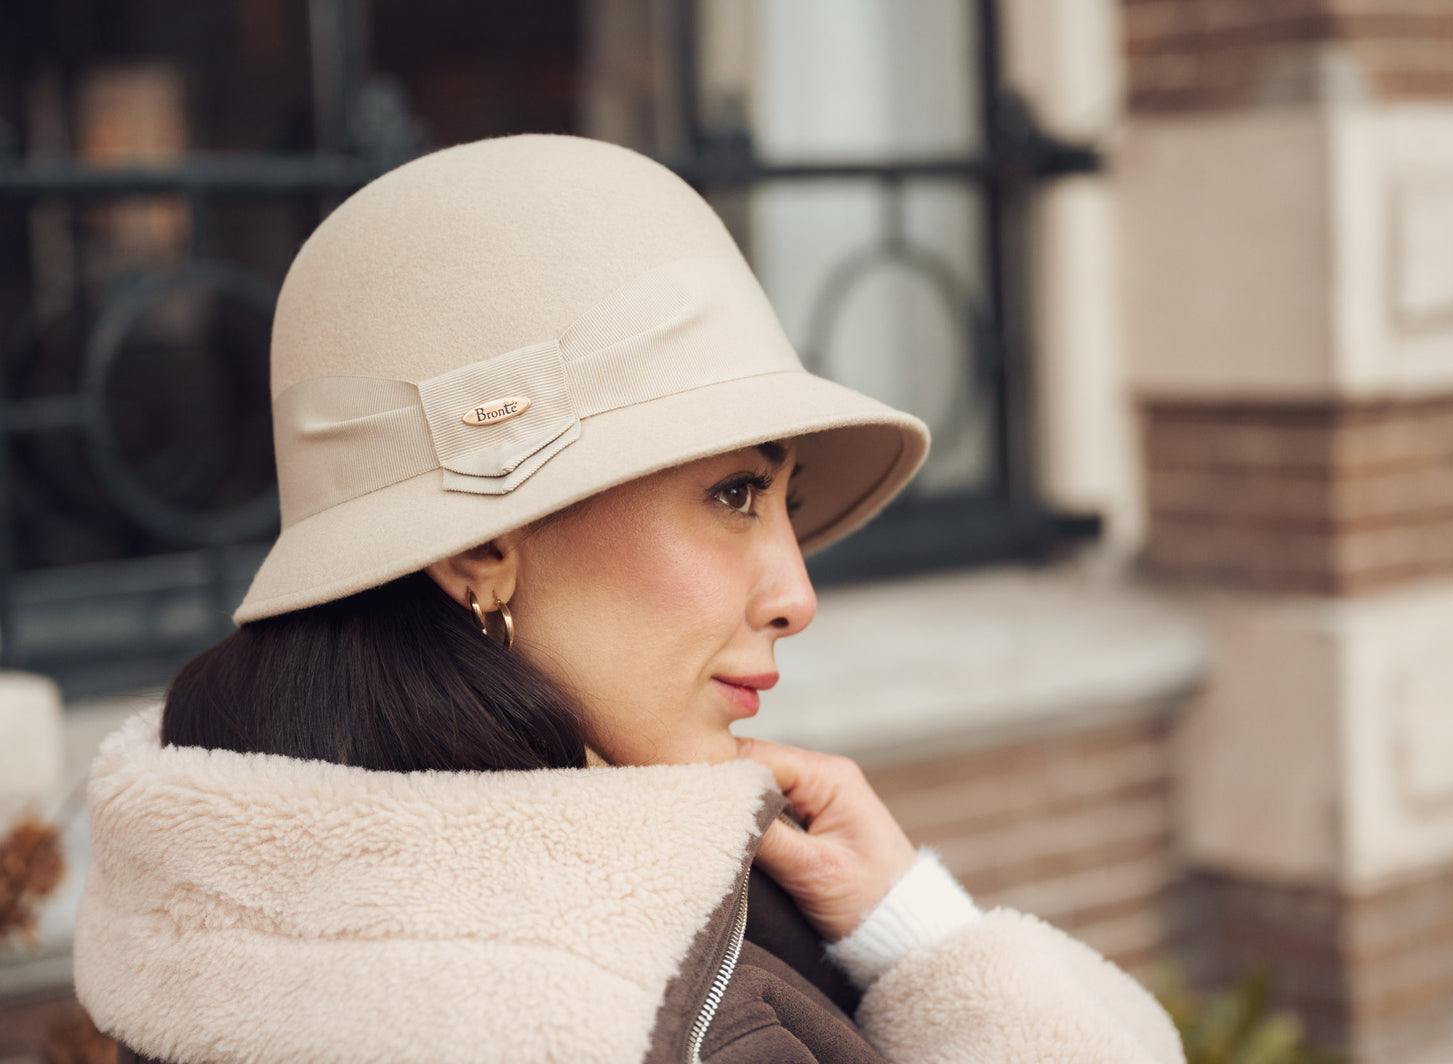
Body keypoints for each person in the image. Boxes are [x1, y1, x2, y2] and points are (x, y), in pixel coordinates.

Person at [73, 134, 1185, 1064]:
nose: (795, 592)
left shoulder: (203, 921)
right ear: (480, 551)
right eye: (735, 491)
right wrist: (919, 940)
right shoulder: (706, 1015)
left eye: (782, 500)